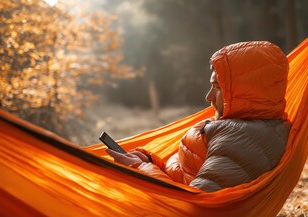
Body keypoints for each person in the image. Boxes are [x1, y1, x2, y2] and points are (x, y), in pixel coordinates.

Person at [106, 41, 291, 192]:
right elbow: (190, 179)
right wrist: (151, 163)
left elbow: (193, 206)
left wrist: (140, 169)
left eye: (218, 88)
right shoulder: (256, 127)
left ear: (248, 91)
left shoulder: (239, 138)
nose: (208, 97)